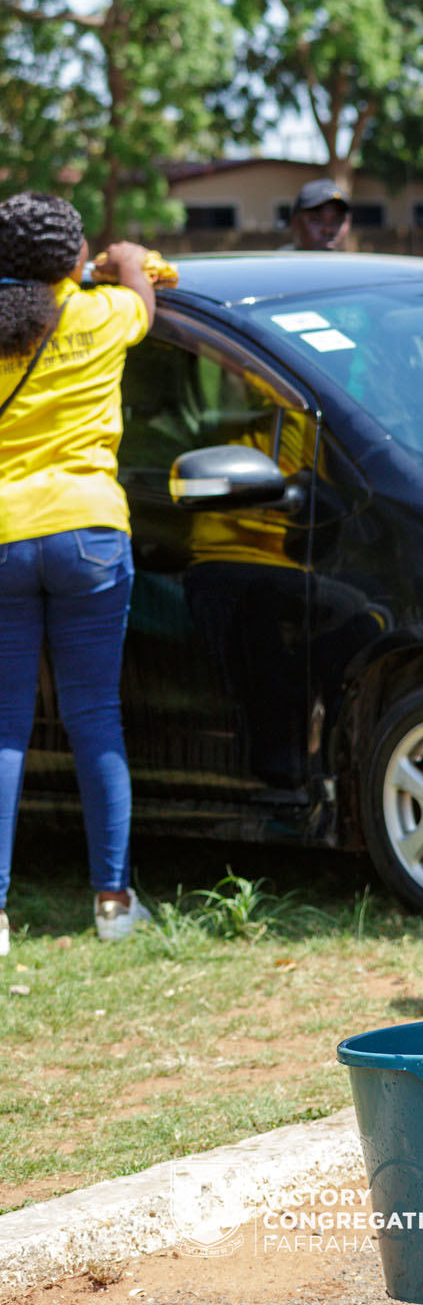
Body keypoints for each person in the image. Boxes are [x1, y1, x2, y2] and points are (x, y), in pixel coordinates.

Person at [0, 193, 158, 955]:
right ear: (73, 257)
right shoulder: (101, 313)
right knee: (94, 715)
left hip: (5, 535)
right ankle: (113, 903)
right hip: (89, 531)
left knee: (5, 726)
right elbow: (142, 293)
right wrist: (118, 261)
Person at [287, 179, 351, 250]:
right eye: (317, 220)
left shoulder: (357, 257)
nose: (328, 230)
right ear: (294, 224)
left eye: (337, 220)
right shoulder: (280, 257)